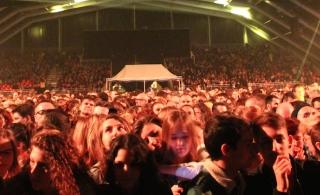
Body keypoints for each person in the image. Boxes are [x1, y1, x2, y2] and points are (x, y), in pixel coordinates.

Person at [248, 112, 320, 195]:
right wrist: (281, 190)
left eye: (279, 139)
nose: (275, 148)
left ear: (289, 140)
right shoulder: (253, 183)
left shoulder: (313, 170)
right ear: (257, 147)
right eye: (266, 142)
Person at [187, 114, 256, 195]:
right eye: (248, 144)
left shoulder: (238, 177)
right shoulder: (201, 189)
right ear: (226, 150)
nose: (255, 150)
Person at [29, 129, 97, 195]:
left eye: (43, 166)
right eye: (32, 161)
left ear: (60, 168)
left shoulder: (81, 189)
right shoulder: (23, 187)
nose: (34, 172)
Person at [105, 133, 172, 195]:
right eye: (119, 165)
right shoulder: (104, 192)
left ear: (143, 165)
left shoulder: (160, 190)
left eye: (133, 164)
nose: (126, 171)